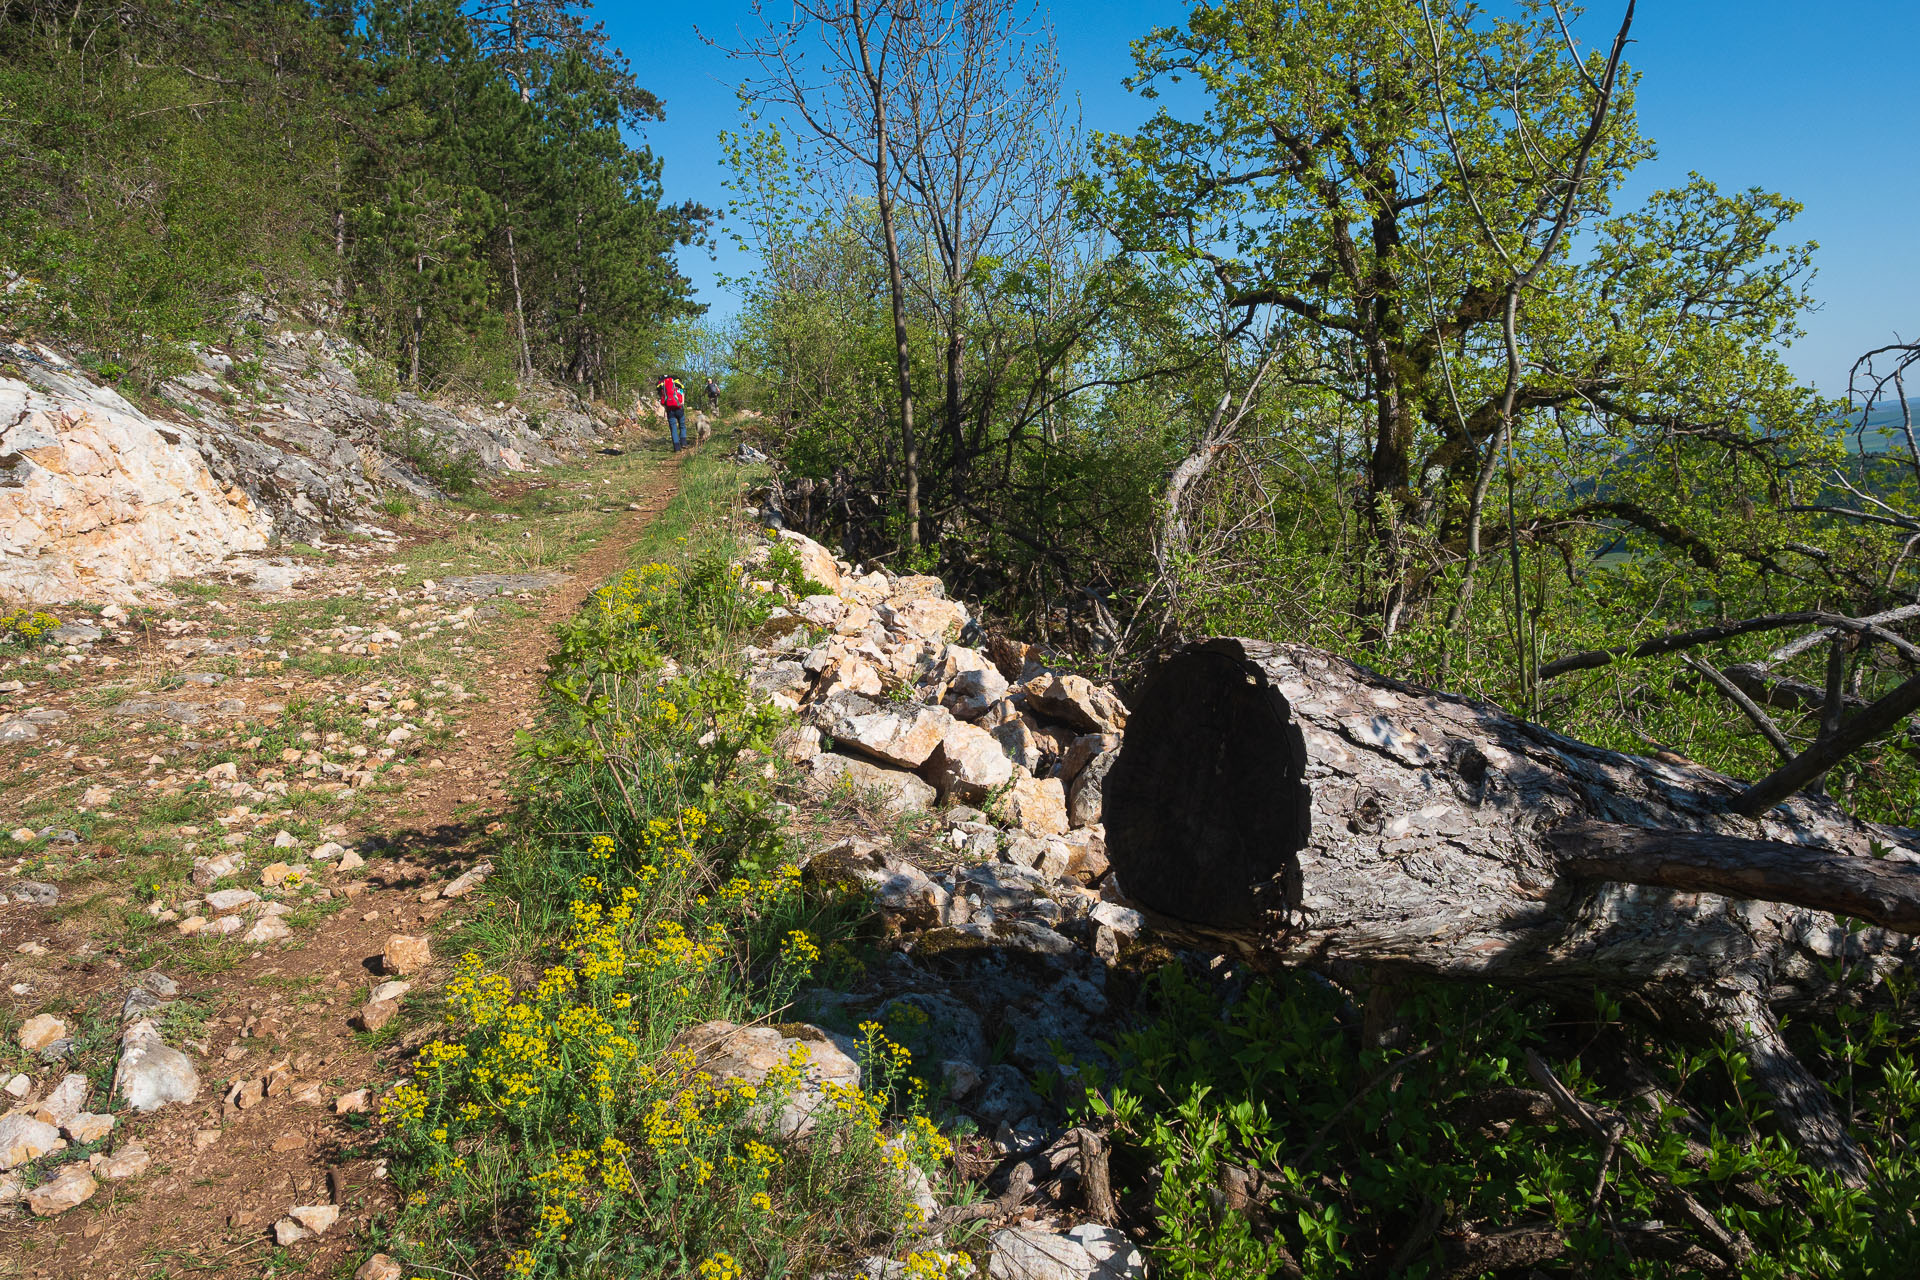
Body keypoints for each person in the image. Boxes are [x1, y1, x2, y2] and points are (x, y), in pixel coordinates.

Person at [656, 372, 686, 451]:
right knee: (682, 425)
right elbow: (682, 394)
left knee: (673, 428)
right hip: (679, 408)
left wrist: (666, 407)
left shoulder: (663, 386)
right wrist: (682, 403)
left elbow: (662, 399)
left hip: (670, 410)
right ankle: (683, 443)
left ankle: (676, 448)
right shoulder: (677, 384)